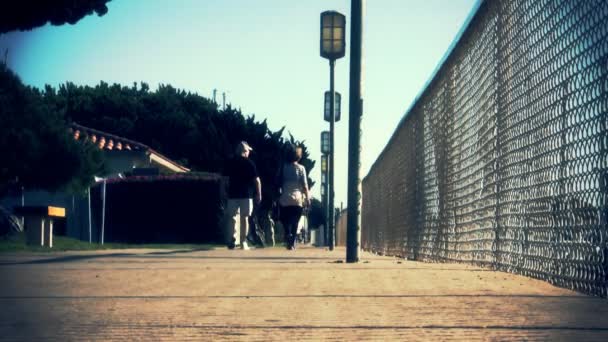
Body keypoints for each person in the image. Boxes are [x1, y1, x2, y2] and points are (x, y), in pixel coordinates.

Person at [224, 141, 262, 250]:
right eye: (248, 151)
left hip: (232, 194)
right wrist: (259, 194)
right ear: (245, 151)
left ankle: (231, 239)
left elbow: (224, 180)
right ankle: (243, 242)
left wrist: (222, 192)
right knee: (245, 218)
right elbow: (257, 180)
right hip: (246, 195)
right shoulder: (249, 163)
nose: (249, 153)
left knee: (231, 218)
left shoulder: (229, 162)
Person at [277, 144, 310, 250]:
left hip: (285, 197)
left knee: (285, 219)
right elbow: (305, 185)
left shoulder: (283, 167)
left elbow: (278, 182)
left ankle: (288, 234)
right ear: (298, 156)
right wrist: (308, 198)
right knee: (295, 221)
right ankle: (292, 242)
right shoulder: (301, 168)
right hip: (297, 199)